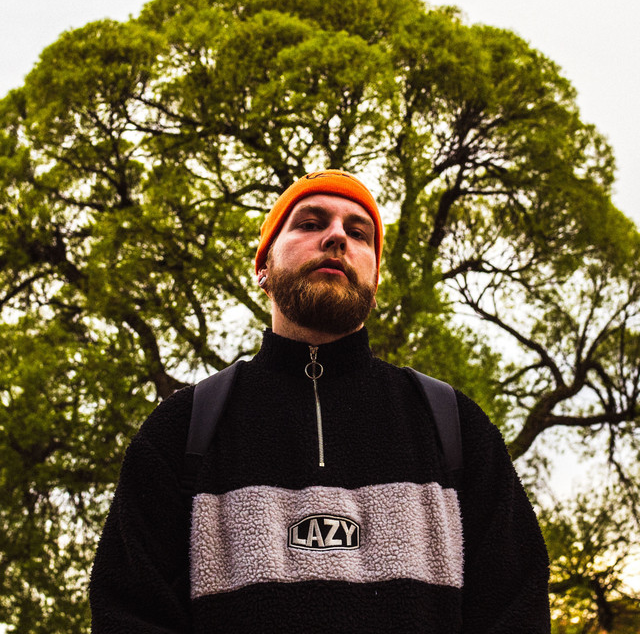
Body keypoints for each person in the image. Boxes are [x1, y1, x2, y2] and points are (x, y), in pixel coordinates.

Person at [90, 170, 550, 633]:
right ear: (263, 268)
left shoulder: (453, 424)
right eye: (310, 224)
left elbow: (516, 610)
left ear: (375, 283)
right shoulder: (183, 427)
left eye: (358, 233)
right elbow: (128, 614)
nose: (336, 237)